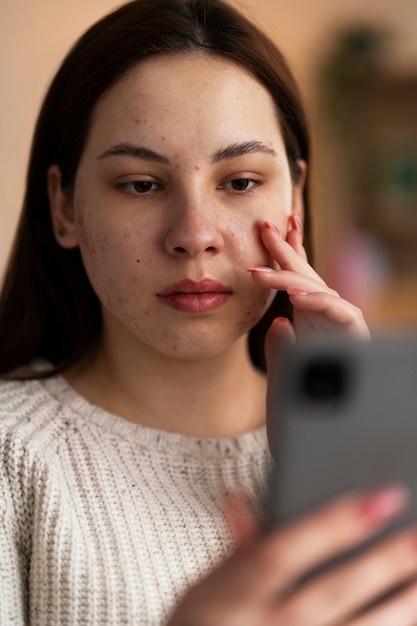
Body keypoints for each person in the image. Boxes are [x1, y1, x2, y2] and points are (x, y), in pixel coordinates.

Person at [1, 0, 416, 624]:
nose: (195, 235)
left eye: (241, 182)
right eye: (141, 184)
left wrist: (345, 455)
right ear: (63, 207)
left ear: (296, 193)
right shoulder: (12, 459)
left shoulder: (397, 453)